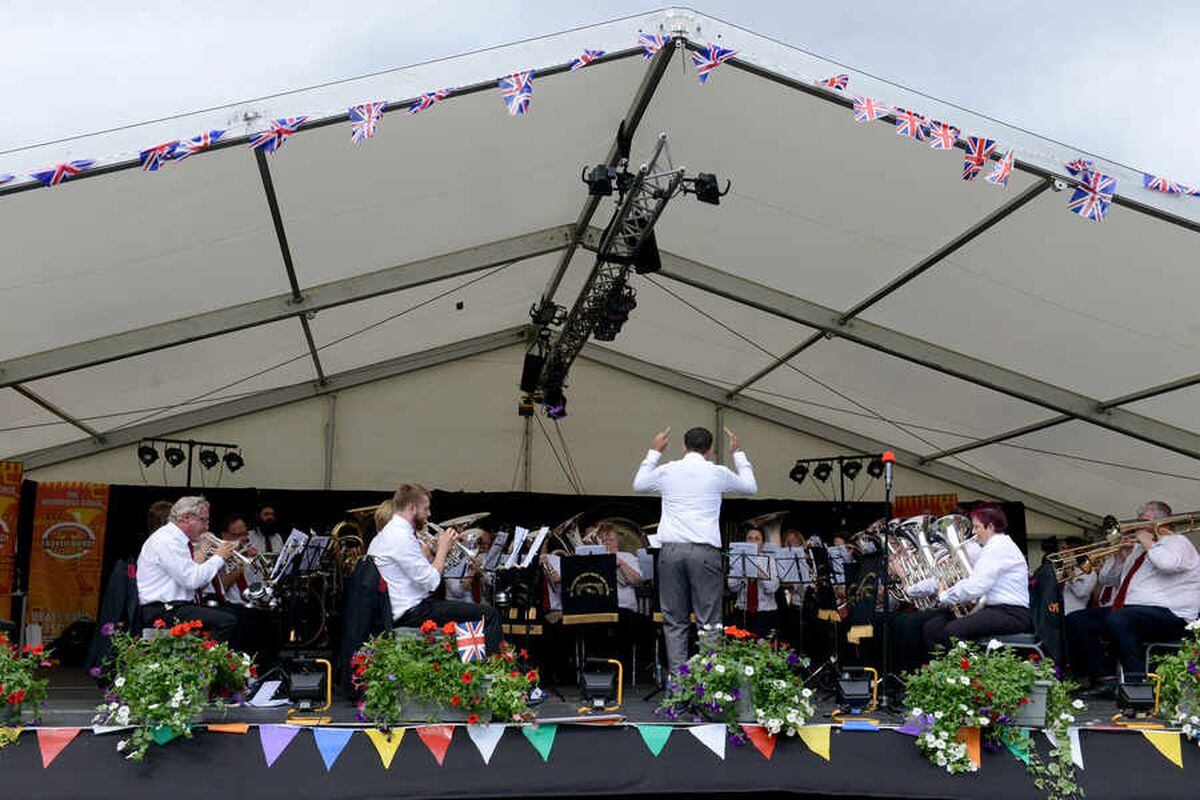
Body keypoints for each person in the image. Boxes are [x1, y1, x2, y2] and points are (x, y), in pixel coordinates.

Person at [632, 425, 756, 671]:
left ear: (683, 447)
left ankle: (678, 689)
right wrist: (737, 453)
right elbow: (750, 487)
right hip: (704, 552)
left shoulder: (668, 470)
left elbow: (639, 485)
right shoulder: (718, 473)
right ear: (709, 450)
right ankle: (709, 689)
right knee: (708, 622)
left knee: (674, 622)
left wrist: (654, 452)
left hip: (672, 552)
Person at [1066, 501, 1200, 697]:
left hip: (1172, 614)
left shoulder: (1178, 542)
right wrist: (1120, 556)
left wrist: (1147, 541)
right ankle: (1106, 680)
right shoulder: (1139, 549)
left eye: (1143, 520)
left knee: (1120, 618)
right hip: (1134, 611)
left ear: (1162, 521)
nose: (1137, 525)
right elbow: (1108, 579)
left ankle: (1137, 686)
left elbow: (1167, 563)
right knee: (1077, 620)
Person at [368, 483, 502, 654]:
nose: (429, 514)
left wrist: (432, 553)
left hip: (405, 605)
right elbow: (431, 583)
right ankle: (491, 670)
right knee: (489, 615)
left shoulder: (391, 533)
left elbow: (419, 573)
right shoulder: (401, 537)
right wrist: (442, 549)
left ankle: (470, 670)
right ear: (412, 507)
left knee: (470, 614)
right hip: (409, 611)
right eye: (426, 509)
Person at [919, 505, 1032, 653]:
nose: (973, 532)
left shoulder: (997, 547)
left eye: (977, 527)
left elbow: (976, 586)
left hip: (1011, 613)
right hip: (998, 610)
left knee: (953, 631)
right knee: (933, 627)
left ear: (990, 527)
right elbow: (974, 581)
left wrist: (945, 595)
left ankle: (972, 672)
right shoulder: (994, 546)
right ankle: (942, 671)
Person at [136, 496, 238, 643]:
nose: (206, 527)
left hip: (175, 607)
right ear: (186, 518)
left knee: (233, 615)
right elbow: (192, 580)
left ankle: (206, 659)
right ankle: (203, 662)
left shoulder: (177, 539)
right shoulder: (167, 540)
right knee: (226, 622)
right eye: (203, 520)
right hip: (163, 610)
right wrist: (219, 557)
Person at [728, 526, 779, 637]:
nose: (753, 541)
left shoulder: (770, 561)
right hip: (742, 611)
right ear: (745, 541)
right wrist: (742, 569)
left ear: (762, 543)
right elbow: (732, 587)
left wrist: (756, 569)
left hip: (765, 613)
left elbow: (772, 588)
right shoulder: (738, 559)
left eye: (757, 539)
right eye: (750, 538)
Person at [1060, 536, 1098, 616]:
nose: (1064, 552)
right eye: (1062, 548)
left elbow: (1082, 593)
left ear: (1078, 551)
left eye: (1068, 549)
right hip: (1059, 614)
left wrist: (1070, 574)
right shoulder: (1061, 570)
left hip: (1076, 614)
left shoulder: (1089, 572)